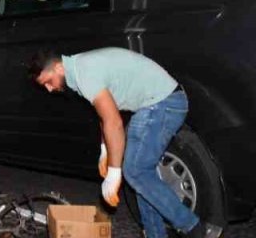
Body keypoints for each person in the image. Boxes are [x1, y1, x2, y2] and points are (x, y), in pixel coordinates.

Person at [27, 47, 222, 238]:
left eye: (48, 81)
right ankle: (155, 234)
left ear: (58, 67)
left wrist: (114, 172)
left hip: (162, 103)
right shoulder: (79, 69)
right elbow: (105, 115)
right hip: (162, 102)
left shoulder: (84, 72)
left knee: (135, 170)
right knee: (143, 173)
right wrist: (105, 151)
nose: (49, 89)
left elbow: (114, 122)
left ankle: (196, 229)